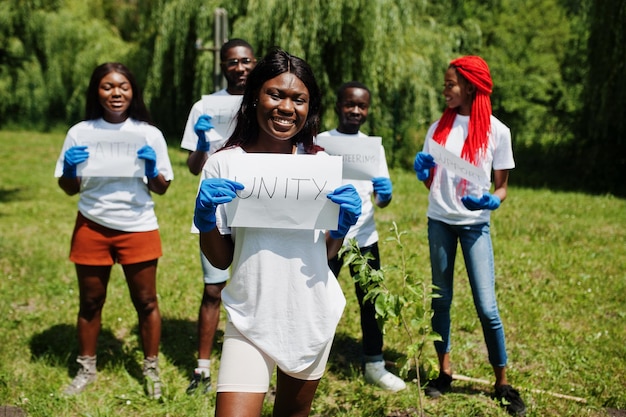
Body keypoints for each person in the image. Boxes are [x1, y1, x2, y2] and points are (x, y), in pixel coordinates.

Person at [193, 48, 361, 417]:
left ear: (309, 107)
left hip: (310, 315)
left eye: (298, 99)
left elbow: (327, 252)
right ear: (255, 96)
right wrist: (206, 218)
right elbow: (221, 260)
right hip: (249, 315)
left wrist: (341, 229)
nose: (286, 107)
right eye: (275, 94)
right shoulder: (224, 163)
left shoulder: (320, 166)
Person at [413, 56, 526, 416]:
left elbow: (502, 188)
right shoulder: (437, 129)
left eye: (450, 84)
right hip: (440, 221)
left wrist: (492, 201)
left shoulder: (497, 131)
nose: (444, 90)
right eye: (445, 84)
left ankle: (503, 383)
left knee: (487, 307)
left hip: (475, 224)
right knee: (441, 300)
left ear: (472, 86)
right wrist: (424, 174)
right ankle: (444, 372)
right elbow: (434, 181)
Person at [55, 62, 173, 399]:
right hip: (92, 223)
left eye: (123, 86)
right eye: (107, 86)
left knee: (147, 301)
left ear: (133, 91)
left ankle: (151, 369)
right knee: (90, 302)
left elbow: (162, 188)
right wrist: (70, 168)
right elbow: (68, 188)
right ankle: (86, 368)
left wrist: (152, 168)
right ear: (97, 91)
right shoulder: (80, 132)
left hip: (138, 225)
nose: (116, 93)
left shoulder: (148, 133)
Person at [180, 38, 256, 394]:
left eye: (245, 61)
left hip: (256, 205)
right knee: (213, 288)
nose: (239, 68)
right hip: (215, 207)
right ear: (223, 66)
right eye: (232, 62)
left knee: (256, 286)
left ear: (254, 63)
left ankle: (257, 363)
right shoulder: (204, 105)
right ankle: (203, 368)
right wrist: (200, 143)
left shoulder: (264, 100)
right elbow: (195, 167)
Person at [320, 81, 406, 392]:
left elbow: (380, 198)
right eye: (349, 104)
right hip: (326, 238)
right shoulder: (320, 143)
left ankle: (374, 364)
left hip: (364, 238)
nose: (356, 110)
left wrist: (386, 196)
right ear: (338, 106)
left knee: (370, 301)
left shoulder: (373, 147)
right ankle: (309, 358)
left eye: (362, 106)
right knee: (319, 299)